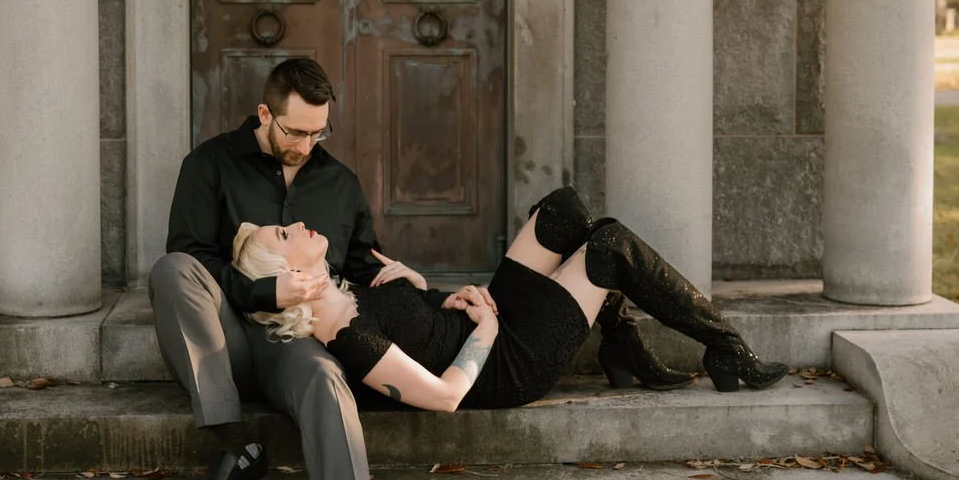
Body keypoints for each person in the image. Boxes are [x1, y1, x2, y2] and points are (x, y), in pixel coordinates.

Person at [147, 58, 412, 480]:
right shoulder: (210, 165)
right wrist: (264, 290)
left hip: (297, 339)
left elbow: (364, 268)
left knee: (323, 376)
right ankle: (233, 442)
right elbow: (193, 258)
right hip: (225, 333)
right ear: (265, 113)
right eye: (295, 131)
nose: (307, 143)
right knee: (171, 269)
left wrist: (409, 284)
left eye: (319, 131)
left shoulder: (340, 184)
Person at [232, 186, 789, 412]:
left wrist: (427, 291)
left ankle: (623, 346)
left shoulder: (351, 296)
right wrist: (486, 332)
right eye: (283, 235)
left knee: (565, 210)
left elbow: (421, 330)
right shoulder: (348, 338)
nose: (297, 224)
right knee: (609, 244)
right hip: (509, 363)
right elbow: (447, 395)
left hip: (492, 317)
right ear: (286, 272)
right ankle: (726, 347)